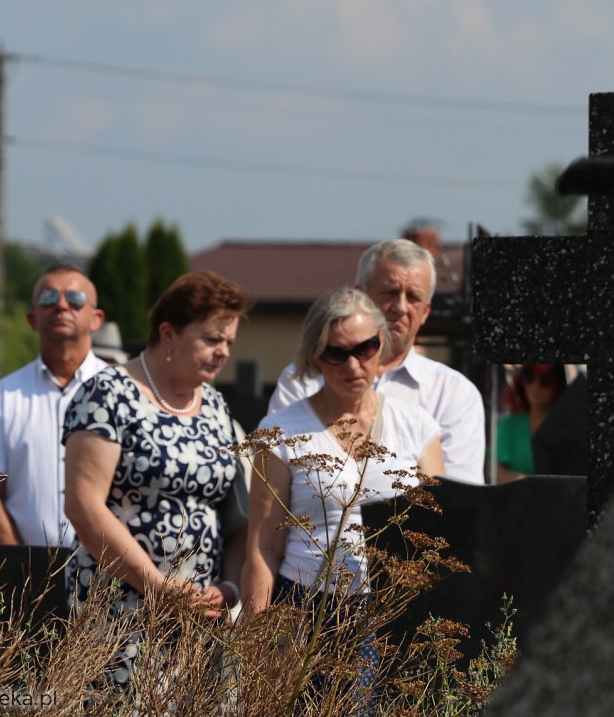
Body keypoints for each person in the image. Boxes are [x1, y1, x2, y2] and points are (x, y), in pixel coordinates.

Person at [243, 288, 444, 695]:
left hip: (393, 610)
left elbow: (440, 536)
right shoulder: (281, 431)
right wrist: (257, 644)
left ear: (382, 344)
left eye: (366, 348)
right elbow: (263, 545)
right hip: (304, 606)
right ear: (314, 355)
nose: (354, 364)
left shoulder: (418, 427)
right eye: (336, 353)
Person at [63, 271, 249, 686]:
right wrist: (157, 585)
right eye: (211, 339)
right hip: (119, 611)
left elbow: (236, 516)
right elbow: (82, 504)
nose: (222, 352)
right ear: (168, 333)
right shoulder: (108, 394)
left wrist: (229, 587)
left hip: (198, 619)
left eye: (228, 343)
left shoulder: (217, 405)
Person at [269, 238, 486, 484]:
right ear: (360, 295)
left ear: (426, 312)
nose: (401, 307)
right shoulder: (303, 379)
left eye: (413, 297)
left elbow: (458, 501)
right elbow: (278, 482)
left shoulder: (454, 393)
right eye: (390, 293)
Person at [0, 265, 107, 547]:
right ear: (33, 318)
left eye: (75, 299)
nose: (61, 306)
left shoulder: (121, 392)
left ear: (96, 319)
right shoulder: (4, 395)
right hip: (29, 573)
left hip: (109, 572)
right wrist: (18, 561)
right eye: (48, 299)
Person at [495, 364, 567, 482]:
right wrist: (525, 482)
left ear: (558, 385)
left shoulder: (569, 427)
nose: (535, 386)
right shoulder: (508, 425)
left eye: (545, 381)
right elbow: (493, 470)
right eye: (529, 379)